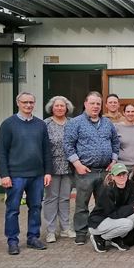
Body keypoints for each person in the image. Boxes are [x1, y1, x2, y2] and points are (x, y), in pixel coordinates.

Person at [0, 92, 52, 255]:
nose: (28, 105)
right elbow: (0, 152)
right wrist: (4, 175)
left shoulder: (40, 125)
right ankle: (12, 241)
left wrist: (47, 172)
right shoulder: (8, 124)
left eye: (31, 102)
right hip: (15, 175)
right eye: (25, 102)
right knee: (13, 209)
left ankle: (33, 237)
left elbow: (46, 151)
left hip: (37, 175)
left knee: (35, 207)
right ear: (18, 103)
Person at [64, 91, 120, 245]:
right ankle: (81, 232)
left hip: (105, 171)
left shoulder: (107, 123)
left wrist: (114, 160)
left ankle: (100, 229)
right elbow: (68, 145)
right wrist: (77, 164)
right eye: (92, 103)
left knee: (104, 203)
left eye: (98, 104)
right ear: (85, 104)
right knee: (82, 204)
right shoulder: (75, 123)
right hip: (85, 171)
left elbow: (115, 142)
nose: (95, 106)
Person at [43, 95, 76, 243]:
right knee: (51, 199)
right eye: (57, 106)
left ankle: (65, 228)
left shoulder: (72, 123)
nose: (59, 108)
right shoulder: (45, 124)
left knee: (65, 198)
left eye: (62, 106)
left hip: (69, 166)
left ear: (67, 108)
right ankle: (50, 231)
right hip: (52, 167)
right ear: (52, 108)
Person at [87, 163, 134, 253]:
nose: (122, 177)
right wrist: (131, 207)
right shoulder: (107, 189)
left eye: (124, 174)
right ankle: (98, 237)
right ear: (112, 176)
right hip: (100, 221)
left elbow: (133, 203)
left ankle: (114, 237)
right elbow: (112, 214)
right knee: (127, 223)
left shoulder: (130, 184)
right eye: (118, 175)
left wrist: (133, 206)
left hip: (115, 217)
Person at [115, 104, 134, 170]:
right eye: (128, 111)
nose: (130, 114)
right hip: (120, 165)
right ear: (124, 113)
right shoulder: (116, 127)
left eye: (132, 111)